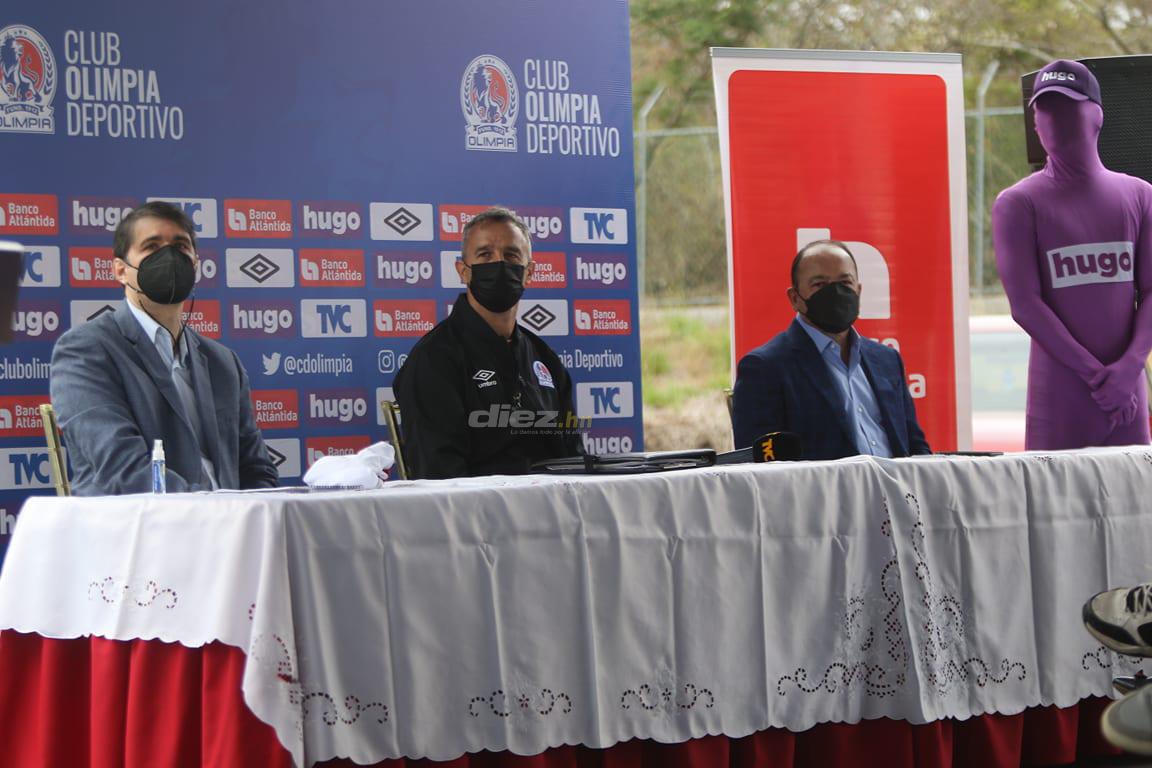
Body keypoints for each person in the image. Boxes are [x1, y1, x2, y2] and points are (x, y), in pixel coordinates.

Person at [50, 201, 278, 495]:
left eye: (181, 246)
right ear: (120, 270)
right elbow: (121, 470)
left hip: (233, 531)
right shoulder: (87, 350)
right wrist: (213, 513)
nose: (169, 257)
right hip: (140, 532)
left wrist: (250, 520)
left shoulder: (222, 361)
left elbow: (256, 470)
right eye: (152, 247)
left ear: (195, 263)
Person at [993, 59, 1152, 449]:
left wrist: (1130, 367)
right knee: (1055, 507)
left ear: (1096, 116)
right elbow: (1025, 305)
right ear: (1034, 124)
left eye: (1067, 106)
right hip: (1060, 397)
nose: (1054, 117)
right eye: (1044, 109)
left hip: (1128, 391)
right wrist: (1098, 377)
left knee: (1137, 505)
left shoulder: (1140, 196)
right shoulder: (1017, 203)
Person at [394, 206, 583, 478]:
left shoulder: (544, 359)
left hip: (555, 511)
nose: (499, 264)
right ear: (463, 271)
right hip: (477, 516)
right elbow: (439, 476)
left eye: (511, 255)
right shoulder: (434, 360)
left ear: (529, 272)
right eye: (484, 255)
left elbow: (574, 458)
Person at [730, 239, 931, 459]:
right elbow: (760, 466)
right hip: (824, 492)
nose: (835, 293)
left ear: (859, 290)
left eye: (845, 283)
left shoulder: (887, 360)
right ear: (795, 298)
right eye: (819, 285)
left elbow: (916, 446)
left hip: (897, 490)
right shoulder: (765, 368)